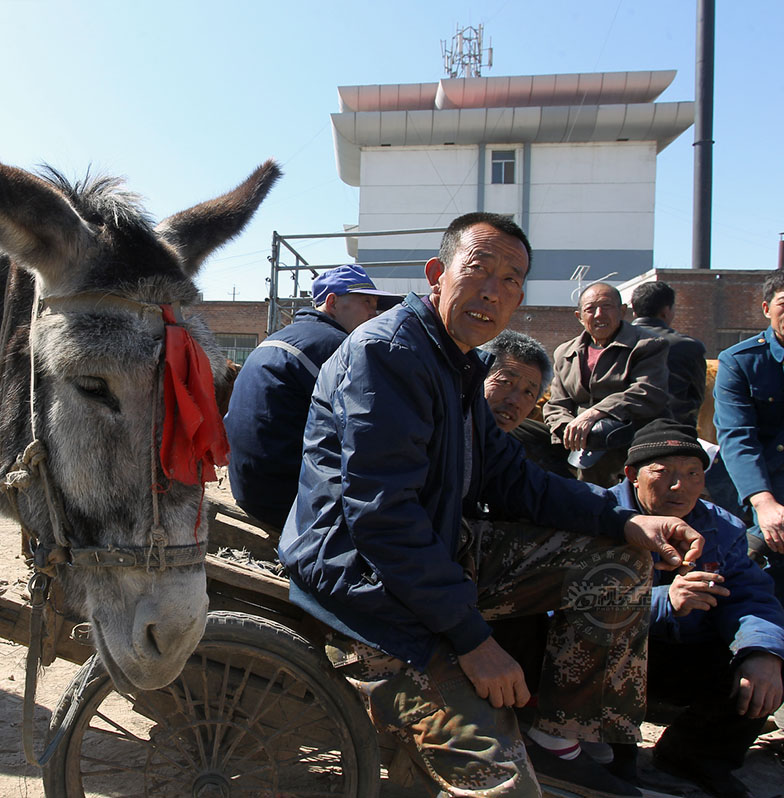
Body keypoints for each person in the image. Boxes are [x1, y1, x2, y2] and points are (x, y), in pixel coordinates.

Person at [278, 212, 703, 798]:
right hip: (365, 587)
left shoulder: (458, 364)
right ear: (437, 274)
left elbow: (516, 479)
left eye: (511, 280)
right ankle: (509, 759)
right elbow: (382, 517)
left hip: (434, 555)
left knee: (618, 563)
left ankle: (561, 742)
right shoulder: (389, 354)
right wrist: (473, 641)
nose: (493, 291)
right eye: (478, 269)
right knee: (502, 786)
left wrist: (625, 518)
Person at [610, 419, 784, 798]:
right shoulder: (598, 515)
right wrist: (663, 602)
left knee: (768, 657)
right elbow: (563, 605)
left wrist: (761, 653)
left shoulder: (721, 528)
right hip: (612, 664)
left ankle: (693, 756)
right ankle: (605, 757)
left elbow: (750, 598)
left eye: (692, 474)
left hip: (685, 660)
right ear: (632, 475)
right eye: (664, 472)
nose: (679, 486)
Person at [224, 264, 391, 530]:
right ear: (333, 302)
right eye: (366, 302)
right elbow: (369, 429)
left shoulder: (278, 338)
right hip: (287, 503)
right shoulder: (337, 347)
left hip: (248, 490)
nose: (374, 312)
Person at [542, 282, 670, 486]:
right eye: (590, 309)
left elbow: (647, 392)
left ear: (623, 311)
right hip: (578, 440)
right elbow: (556, 404)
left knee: (599, 435)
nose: (599, 314)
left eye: (607, 307)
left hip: (627, 435)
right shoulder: (564, 352)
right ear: (579, 317)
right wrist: (568, 428)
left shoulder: (648, 345)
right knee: (519, 434)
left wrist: (594, 414)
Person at [715, 271, 784, 601]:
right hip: (766, 492)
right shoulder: (739, 362)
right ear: (766, 308)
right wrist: (763, 501)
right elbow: (737, 436)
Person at [481, 331, 573, 479]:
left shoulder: (509, 456)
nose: (515, 400)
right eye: (506, 382)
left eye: (528, 393)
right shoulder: (444, 431)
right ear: (478, 378)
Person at [630, 281, 707, 427]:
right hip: (674, 431)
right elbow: (697, 396)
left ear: (634, 311)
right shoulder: (688, 347)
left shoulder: (615, 343)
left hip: (621, 433)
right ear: (666, 311)